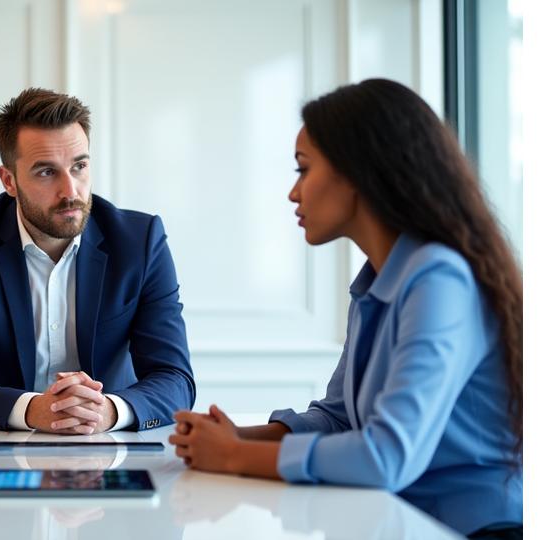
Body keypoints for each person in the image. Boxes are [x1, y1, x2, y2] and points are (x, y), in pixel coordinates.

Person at [168, 79, 522, 538]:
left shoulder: (439, 279)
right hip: (401, 520)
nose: (293, 193)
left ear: (358, 171)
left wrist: (234, 455)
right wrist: (233, 435)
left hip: (471, 528)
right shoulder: (379, 280)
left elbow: (385, 456)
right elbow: (339, 419)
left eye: (303, 169)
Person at [0, 88, 196, 434]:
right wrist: (31, 409)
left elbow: (175, 379)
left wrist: (109, 411)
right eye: (46, 172)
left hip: (111, 443)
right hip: (2, 444)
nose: (71, 191)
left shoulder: (140, 241)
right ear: (9, 180)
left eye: (79, 166)